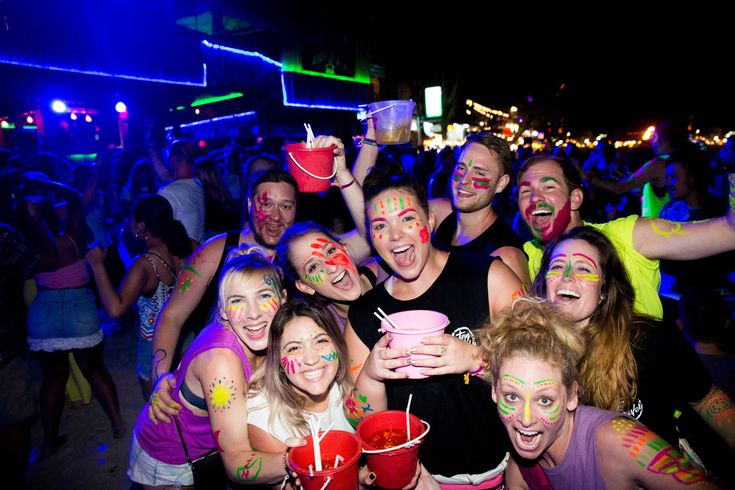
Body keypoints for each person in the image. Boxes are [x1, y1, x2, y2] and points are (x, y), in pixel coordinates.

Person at [344, 170, 523, 487]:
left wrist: (475, 357)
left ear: (429, 219)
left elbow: (543, 365)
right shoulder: (363, 314)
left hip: (503, 473)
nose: (396, 235)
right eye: (381, 227)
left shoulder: (487, 275)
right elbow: (360, 421)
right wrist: (371, 375)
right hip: (418, 481)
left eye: (407, 218)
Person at [532, 227, 735, 464]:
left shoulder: (647, 341)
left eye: (584, 268)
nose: (567, 276)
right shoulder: (531, 353)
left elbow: (705, 398)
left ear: (603, 293)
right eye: (556, 266)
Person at [477, 299, 720, 489]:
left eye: (544, 399)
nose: (526, 418)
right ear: (495, 392)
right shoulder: (519, 469)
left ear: (572, 395)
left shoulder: (615, 440)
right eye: (512, 397)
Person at [129, 249, 292, 488]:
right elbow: (237, 462)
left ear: (283, 298)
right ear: (224, 310)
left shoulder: (277, 332)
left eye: (264, 295)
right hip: (168, 462)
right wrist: (297, 462)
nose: (254, 313)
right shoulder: (222, 363)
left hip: (208, 454)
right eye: (237, 301)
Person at [517, 154, 735, 319]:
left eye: (548, 186)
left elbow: (729, 232)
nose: (535, 198)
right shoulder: (521, 258)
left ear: (575, 199)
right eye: (525, 191)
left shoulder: (627, 237)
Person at [18, 175, 125, 456]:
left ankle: (50, 440)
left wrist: (27, 204)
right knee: (94, 369)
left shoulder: (28, 244)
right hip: (78, 306)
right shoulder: (73, 239)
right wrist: (46, 183)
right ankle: (117, 425)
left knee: (53, 377)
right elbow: (76, 200)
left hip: (44, 310)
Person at [87, 195, 191, 399]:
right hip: (184, 337)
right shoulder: (187, 247)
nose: (129, 224)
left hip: (155, 347)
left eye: (131, 220)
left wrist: (97, 265)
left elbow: (115, 309)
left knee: (158, 415)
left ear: (141, 226)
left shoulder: (145, 265)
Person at [247, 298, 354, 449]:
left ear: (337, 344)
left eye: (320, 341)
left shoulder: (354, 387)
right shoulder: (264, 417)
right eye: (294, 348)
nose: (311, 359)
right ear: (278, 362)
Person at [429, 133, 529, 286]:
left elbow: (525, 310)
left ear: (501, 184)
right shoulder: (441, 214)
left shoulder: (506, 257)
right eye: (461, 168)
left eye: (479, 173)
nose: (464, 180)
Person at [0, 220, 57, 487]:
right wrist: (35, 219)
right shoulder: (2, 234)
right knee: (15, 421)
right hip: (4, 351)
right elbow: (48, 259)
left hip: (11, 340)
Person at [275, 222, 389, 332]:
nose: (332, 268)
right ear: (305, 286)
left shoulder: (391, 269)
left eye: (330, 251)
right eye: (313, 267)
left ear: (345, 248)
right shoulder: (325, 332)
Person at [156, 139, 205, 246]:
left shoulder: (168, 192)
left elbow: (158, 234)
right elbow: (168, 178)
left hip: (180, 259)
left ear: (172, 159)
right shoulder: (198, 184)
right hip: (199, 255)